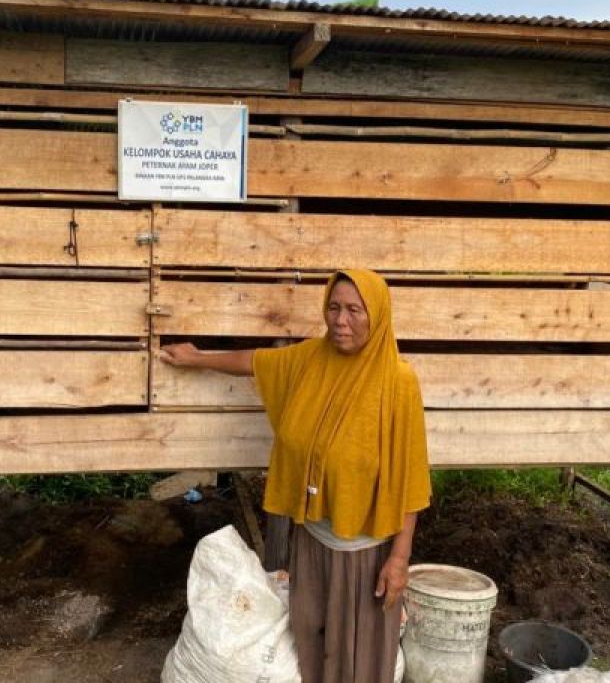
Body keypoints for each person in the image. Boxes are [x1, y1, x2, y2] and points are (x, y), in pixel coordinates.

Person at [160, 268, 430, 683]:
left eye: (355, 311)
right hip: (311, 540)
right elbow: (255, 362)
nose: (341, 321)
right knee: (312, 647)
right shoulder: (310, 360)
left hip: (364, 554)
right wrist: (198, 357)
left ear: (378, 317)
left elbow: (411, 479)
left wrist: (399, 560)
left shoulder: (397, 383)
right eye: (334, 308)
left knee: (357, 661)